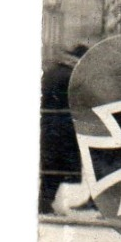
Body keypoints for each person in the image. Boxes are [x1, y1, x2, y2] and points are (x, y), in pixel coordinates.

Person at [39, 46, 87, 214]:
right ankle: (45, 202)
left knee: (50, 167)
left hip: (48, 126)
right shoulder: (71, 76)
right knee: (57, 168)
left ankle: (45, 202)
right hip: (63, 129)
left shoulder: (54, 71)